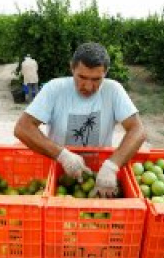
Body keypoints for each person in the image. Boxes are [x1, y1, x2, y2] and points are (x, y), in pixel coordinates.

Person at [14, 42, 146, 197]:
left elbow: (138, 130)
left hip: (100, 174)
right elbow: (22, 128)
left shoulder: (113, 90)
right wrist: (62, 155)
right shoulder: (54, 89)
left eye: (97, 79)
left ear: (106, 72)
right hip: (59, 170)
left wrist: (112, 166)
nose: (88, 86)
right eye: (82, 77)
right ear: (72, 68)